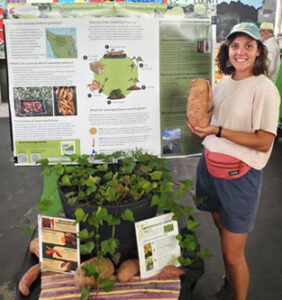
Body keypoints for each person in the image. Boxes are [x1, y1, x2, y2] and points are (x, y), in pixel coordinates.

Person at [187, 22, 280, 300]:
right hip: (211, 170)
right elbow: (213, 120)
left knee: (232, 252)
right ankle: (229, 283)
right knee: (221, 232)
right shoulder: (223, 84)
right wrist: (201, 123)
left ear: (259, 51)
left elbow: (264, 140)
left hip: (239, 177)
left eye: (248, 46)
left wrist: (218, 130)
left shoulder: (264, 89)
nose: (240, 52)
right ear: (227, 50)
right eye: (235, 45)